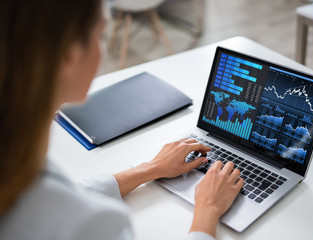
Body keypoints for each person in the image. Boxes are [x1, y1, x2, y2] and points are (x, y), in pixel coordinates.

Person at [0, 1, 244, 239]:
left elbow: (54, 196)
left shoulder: (16, 164)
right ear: (69, 57)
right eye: (101, 35)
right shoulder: (91, 225)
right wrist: (208, 210)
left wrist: (149, 168)